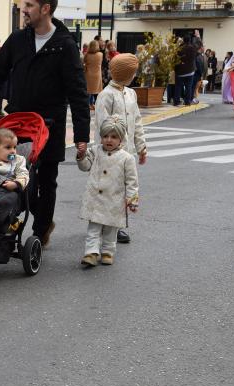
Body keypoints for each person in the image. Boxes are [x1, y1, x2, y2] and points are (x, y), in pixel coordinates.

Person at [0, 0, 90, 246]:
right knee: (18, 175)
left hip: (50, 124)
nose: (24, 9)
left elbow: (77, 91)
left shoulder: (64, 45)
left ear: (45, 8)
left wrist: (82, 135)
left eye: (29, 4)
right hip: (19, 122)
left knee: (47, 179)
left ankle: (40, 233)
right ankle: (31, 217)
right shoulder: (18, 39)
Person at [95, 53, 146, 244]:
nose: (133, 76)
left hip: (127, 153)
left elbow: (137, 121)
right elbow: (101, 124)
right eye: (132, 73)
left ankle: (116, 226)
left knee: (123, 189)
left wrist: (141, 146)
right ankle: (102, 224)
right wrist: (106, 147)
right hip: (109, 153)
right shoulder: (106, 95)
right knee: (107, 189)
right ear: (125, 73)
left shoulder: (130, 93)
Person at [77, 115, 138, 267]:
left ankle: (107, 252)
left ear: (121, 139)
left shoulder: (127, 158)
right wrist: (81, 155)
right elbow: (85, 166)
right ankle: (90, 253)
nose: (109, 140)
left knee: (111, 230)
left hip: (115, 200)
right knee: (94, 228)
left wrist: (132, 200)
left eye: (113, 137)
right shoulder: (95, 151)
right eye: (105, 136)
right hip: (95, 199)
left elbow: (132, 182)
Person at [174, 35, 197, 106]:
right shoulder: (192, 48)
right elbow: (199, 45)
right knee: (188, 87)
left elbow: (175, 58)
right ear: (189, 40)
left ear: (183, 40)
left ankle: (176, 101)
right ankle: (187, 101)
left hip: (180, 71)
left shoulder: (179, 48)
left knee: (178, 86)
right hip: (190, 71)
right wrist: (197, 36)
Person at [84, 40, 103, 110]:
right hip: (97, 74)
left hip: (88, 74)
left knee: (89, 90)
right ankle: (93, 104)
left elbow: (84, 62)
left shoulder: (87, 54)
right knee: (95, 91)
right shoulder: (100, 54)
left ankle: (89, 104)